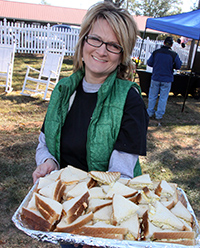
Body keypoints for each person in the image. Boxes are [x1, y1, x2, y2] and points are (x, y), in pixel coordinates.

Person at [32, 1, 148, 247]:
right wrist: (47, 162)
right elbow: (45, 142)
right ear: (83, 41)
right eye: (95, 39)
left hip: (107, 216)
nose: (102, 51)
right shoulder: (63, 90)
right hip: (67, 211)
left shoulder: (130, 99)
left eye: (114, 45)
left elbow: (122, 175)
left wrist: (95, 227)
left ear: (123, 54)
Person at [146, 36, 182, 124]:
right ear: (171, 45)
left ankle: (149, 112)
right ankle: (159, 115)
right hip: (167, 79)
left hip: (156, 77)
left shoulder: (156, 52)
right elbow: (178, 66)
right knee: (163, 98)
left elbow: (149, 63)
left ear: (164, 43)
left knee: (152, 96)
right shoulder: (173, 54)